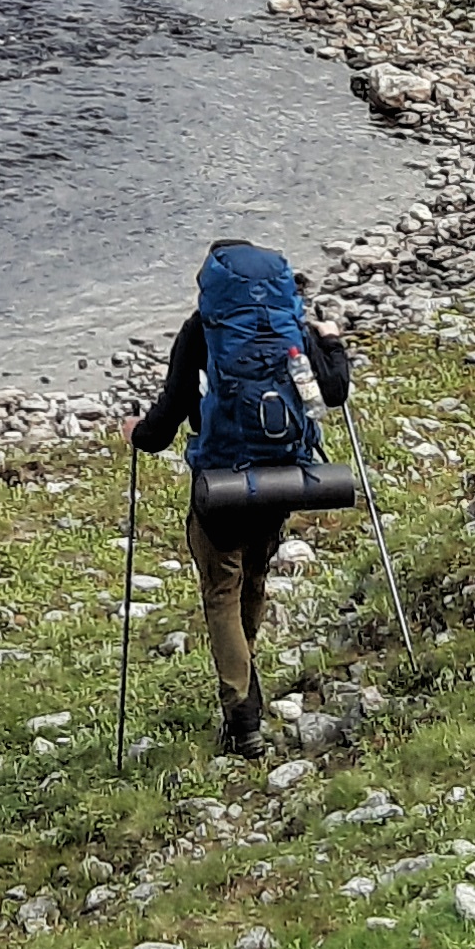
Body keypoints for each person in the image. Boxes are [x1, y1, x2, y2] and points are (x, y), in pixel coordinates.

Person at [131, 237, 355, 755]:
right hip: (282, 479)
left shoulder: (203, 329)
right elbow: (335, 392)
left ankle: (242, 717)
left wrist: (136, 434)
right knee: (253, 577)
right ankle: (246, 690)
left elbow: (169, 415)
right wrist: (332, 342)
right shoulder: (292, 327)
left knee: (221, 590)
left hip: (223, 482)